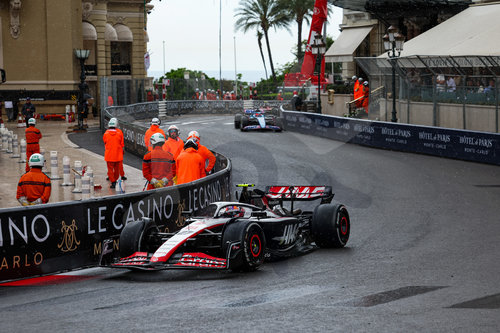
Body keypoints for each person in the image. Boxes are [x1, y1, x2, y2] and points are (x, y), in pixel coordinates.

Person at [103, 117, 124, 188]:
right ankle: (115, 179)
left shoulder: (106, 134)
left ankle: (113, 181)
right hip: (118, 155)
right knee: (117, 170)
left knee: (110, 170)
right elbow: (122, 144)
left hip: (109, 155)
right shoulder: (119, 133)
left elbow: (105, 142)